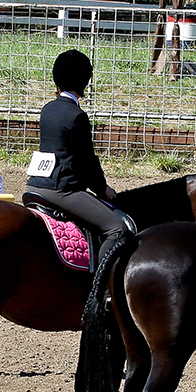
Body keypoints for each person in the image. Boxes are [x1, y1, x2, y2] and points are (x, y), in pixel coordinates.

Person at [22, 49, 129, 270]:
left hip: (35, 185)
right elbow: (86, 161)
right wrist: (102, 189)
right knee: (116, 228)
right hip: (62, 191)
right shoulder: (76, 116)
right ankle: (100, 289)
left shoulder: (47, 109)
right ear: (84, 81)